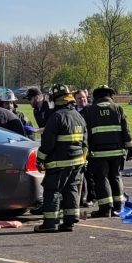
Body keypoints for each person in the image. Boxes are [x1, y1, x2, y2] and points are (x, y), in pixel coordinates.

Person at [32, 84, 88, 233]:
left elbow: (48, 143)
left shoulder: (56, 117)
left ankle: (50, 223)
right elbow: (85, 143)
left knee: (52, 190)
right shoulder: (78, 116)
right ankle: (69, 221)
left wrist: (40, 160)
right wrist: (82, 160)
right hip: (77, 162)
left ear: (56, 100)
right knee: (70, 189)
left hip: (58, 162)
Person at [80, 86, 132, 218]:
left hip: (98, 153)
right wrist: (130, 149)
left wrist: (85, 151)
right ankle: (118, 207)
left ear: (96, 96)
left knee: (101, 178)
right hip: (117, 152)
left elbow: (86, 133)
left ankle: (105, 209)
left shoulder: (90, 110)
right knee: (115, 176)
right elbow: (126, 130)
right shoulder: (117, 108)